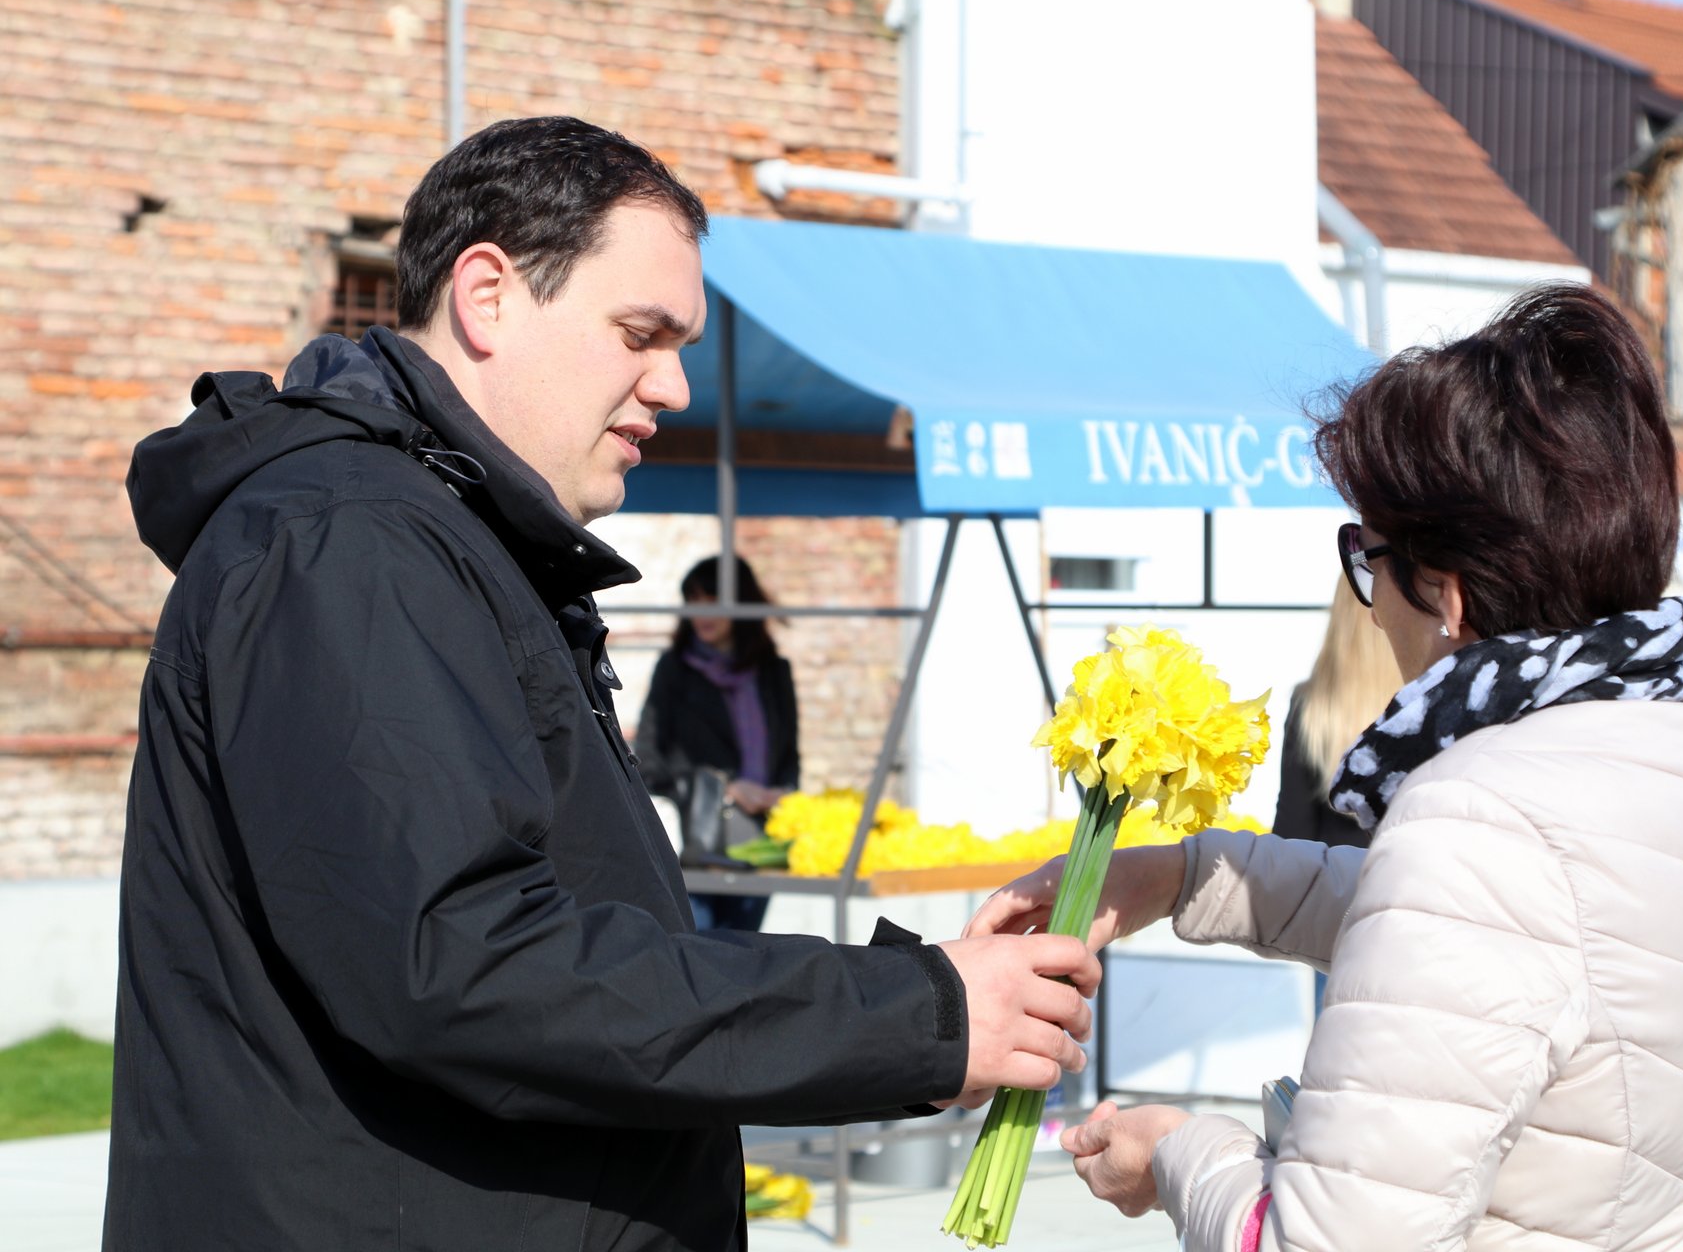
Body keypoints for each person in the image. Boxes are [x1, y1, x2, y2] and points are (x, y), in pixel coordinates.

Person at [108, 116, 1099, 1252]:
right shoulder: (351, 545)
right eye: (641, 333)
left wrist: (922, 1007)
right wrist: (915, 1016)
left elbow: (557, 934)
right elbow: (469, 970)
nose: (672, 384)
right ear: (488, 295)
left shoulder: (447, 538)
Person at [968, 286, 1683, 1250]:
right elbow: (1519, 938)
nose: (1372, 606)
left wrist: (1175, 1153)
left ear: (1447, 596)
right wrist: (1178, 876)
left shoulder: (1485, 813)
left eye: (1368, 557)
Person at [635, 554, 796, 931]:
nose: (702, 613)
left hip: (762, 843)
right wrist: (727, 788)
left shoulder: (773, 672)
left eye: (713, 600)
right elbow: (647, 762)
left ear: (741, 604)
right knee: (700, 953)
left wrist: (783, 794)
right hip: (700, 847)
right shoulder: (675, 670)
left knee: (747, 954)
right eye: (694, 601)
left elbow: (789, 755)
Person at [1271, 579, 1399, 851]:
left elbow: (1291, 832)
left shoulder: (1312, 704)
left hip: (1330, 873)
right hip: (1405, 871)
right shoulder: (1428, 701)